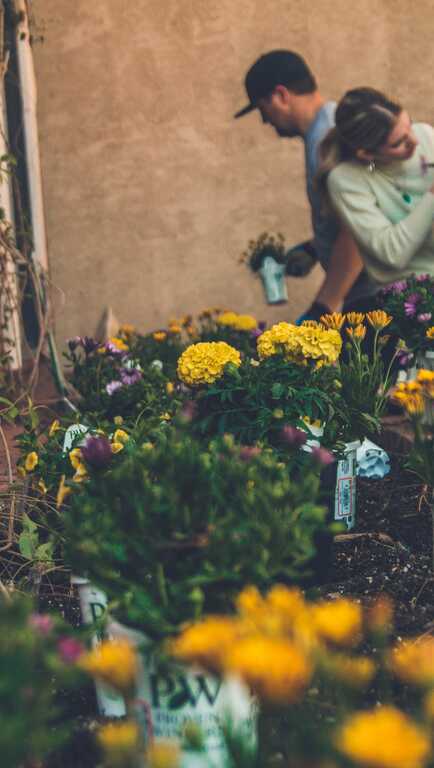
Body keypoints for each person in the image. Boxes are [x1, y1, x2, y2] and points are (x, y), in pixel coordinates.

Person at [234, 50, 378, 322]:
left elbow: (359, 229)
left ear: (281, 95)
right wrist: (315, 248)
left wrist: (322, 307)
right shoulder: (329, 127)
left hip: (377, 298)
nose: (265, 121)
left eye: (263, 108)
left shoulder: (327, 141)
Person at [318, 87, 434, 290]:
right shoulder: (346, 180)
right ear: (367, 155)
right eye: (399, 143)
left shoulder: (426, 135)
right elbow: (393, 254)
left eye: (410, 125)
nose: (414, 141)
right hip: (411, 296)